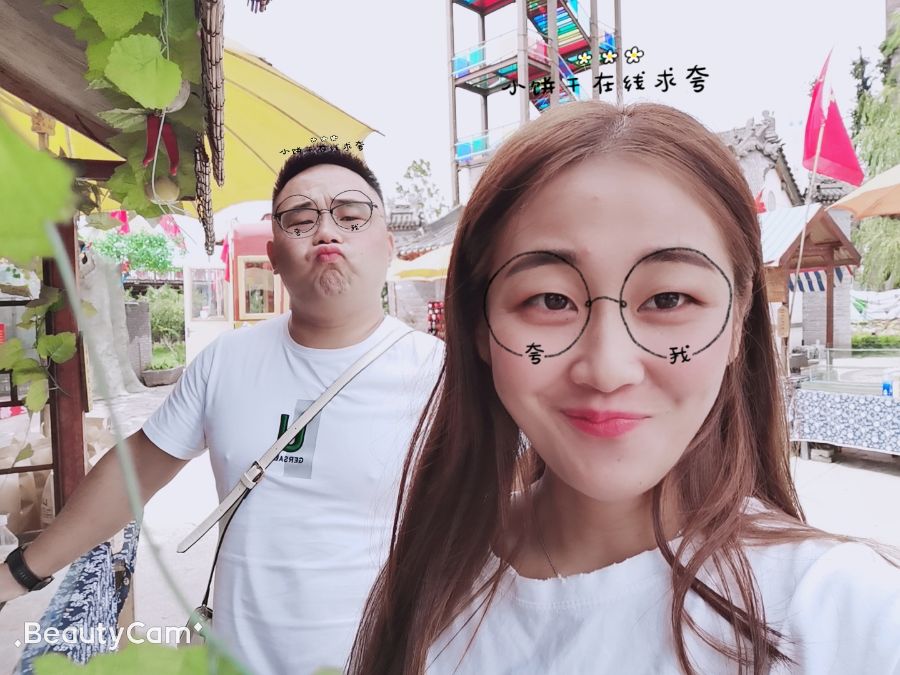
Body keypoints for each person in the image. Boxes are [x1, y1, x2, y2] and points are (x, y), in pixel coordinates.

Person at [347, 101, 900, 675]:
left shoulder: (850, 620)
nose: (608, 369)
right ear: (480, 328)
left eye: (668, 299)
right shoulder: (428, 580)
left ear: (739, 322)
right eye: (550, 300)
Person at [0, 146, 444, 675]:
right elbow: (134, 471)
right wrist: (17, 575)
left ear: (389, 244)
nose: (327, 231)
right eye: (301, 220)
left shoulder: (443, 377)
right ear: (274, 256)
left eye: (351, 216)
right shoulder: (226, 361)